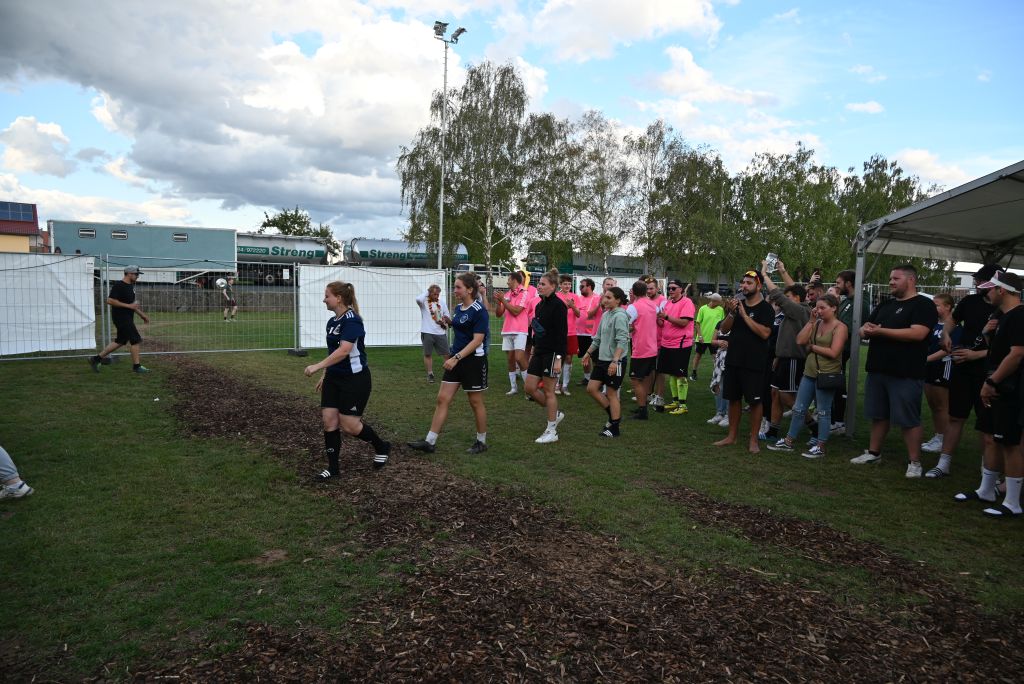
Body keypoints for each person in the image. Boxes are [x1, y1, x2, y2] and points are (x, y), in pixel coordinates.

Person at [851, 264, 938, 477]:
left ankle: (914, 462)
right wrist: (865, 330)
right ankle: (873, 453)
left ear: (911, 280)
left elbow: (918, 333)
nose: (891, 282)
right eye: (890, 278)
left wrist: (881, 332)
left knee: (908, 419)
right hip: (878, 369)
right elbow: (865, 328)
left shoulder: (923, 305)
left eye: (896, 278)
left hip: (905, 372)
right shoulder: (886, 304)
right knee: (878, 415)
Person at [303, 281, 391, 480]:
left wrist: (317, 366)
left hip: (355, 380)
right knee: (329, 421)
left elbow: (344, 351)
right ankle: (333, 469)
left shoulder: (352, 321)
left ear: (339, 298)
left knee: (350, 425)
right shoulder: (332, 322)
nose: (324, 300)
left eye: (327, 296)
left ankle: (382, 446)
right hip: (334, 379)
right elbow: (333, 352)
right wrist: (325, 374)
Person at [954, 271, 1024, 517]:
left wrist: (993, 381)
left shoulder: (1019, 316)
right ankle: (986, 489)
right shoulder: (1002, 317)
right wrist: (986, 334)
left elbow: (1017, 354)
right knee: (991, 438)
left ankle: (1013, 502)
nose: (987, 293)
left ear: (1001, 290)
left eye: (990, 289)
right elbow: (997, 351)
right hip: (995, 385)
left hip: (1009, 389)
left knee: (1010, 443)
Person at [925, 265, 997, 477]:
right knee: (955, 417)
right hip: (962, 369)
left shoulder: (1006, 309)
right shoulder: (970, 301)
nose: (977, 283)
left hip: (988, 373)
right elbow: (952, 320)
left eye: (981, 280)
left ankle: (987, 471)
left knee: (986, 425)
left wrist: (977, 355)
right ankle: (943, 464)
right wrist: (946, 334)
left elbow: (1011, 348)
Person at [408, 273, 490, 454]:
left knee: (475, 402)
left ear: (470, 289)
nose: (455, 290)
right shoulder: (459, 308)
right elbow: (461, 327)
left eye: (458, 287)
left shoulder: (479, 310)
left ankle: (481, 441)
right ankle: (430, 442)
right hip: (456, 359)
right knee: (442, 399)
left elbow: (477, 340)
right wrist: (448, 322)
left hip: (473, 361)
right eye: (455, 287)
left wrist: (455, 358)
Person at [767, 294, 848, 458]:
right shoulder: (816, 323)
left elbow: (834, 352)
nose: (819, 311)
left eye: (823, 308)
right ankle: (788, 441)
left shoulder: (840, 327)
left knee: (823, 411)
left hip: (827, 374)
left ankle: (820, 446)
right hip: (809, 372)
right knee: (798, 408)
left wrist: (813, 348)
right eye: (817, 307)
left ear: (834, 308)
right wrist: (811, 322)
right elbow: (799, 340)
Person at [714, 270, 774, 453]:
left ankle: (753, 440)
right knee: (733, 399)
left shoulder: (766, 309)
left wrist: (746, 316)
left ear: (759, 286)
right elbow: (724, 330)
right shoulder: (737, 306)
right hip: (734, 359)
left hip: (754, 362)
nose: (744, 286)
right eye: (743, 283)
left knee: (755, 401)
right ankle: (731, 436)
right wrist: (732, 314)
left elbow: (765, 333)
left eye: (749, 283)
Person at [762, 259, 810, 441]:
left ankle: (813, 425)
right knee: (775, 394)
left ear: (797, 299)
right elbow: (795, 290)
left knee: (786, 397)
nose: (785, 299)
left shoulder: (799, 310)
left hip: (793, 359)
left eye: (789, 297)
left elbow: (777, 294)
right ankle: (773, 431)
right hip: (783, 358)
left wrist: (765, 274)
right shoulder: (797, 306)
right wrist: (782, 271)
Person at [525, 270, 568, 443]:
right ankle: (555, 413)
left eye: (543, 284)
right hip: (539, 352)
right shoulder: (539, 305)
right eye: (539, 283)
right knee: (529, 388)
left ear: (553, 286)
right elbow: (539, 333)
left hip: (553, 353)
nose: (539, 286)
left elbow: (562, 335)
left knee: (549, 391)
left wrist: (558, 359)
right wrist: (533, 351)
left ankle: (552, 431)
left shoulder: (559, 306)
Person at [582, 287, 630, 437]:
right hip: (602, 360)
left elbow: (622, 341)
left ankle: (614, 427)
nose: (605, 300)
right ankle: (614, 418)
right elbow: (597, 338)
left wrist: (615, 361)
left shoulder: (620, 316)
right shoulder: (606, 314)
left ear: (618, 300)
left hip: (615, 361)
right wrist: (588, 353)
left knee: (611, 393)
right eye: (604, 297)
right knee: (591, 388)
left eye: (609, 298)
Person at [89, 265, 152, 374]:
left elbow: (132, 305)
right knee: (135, 339)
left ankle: (96, 359)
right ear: (129, 274)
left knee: (121, 341)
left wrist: (142, 315)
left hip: (127, 317)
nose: (138, 276)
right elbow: (110, 300)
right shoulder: (119, 285)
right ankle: (137, 367)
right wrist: (129, 306)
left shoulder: (130, 287)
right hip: (121, 318)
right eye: (136, 274)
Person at [921, 293, 955, 454]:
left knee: (942, 406)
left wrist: (925, 359)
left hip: (942, 368)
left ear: (948, 307)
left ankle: (944, 440)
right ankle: (938, 436)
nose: (933, 308)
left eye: (937, 305)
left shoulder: (952, 326)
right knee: (934, 405)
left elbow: (947, 350)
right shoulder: (934, 324)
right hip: (929, 368)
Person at [657, 279, 696, 415]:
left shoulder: (687, 302)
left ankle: (683, 405)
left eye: (673, 288)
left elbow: (684, 322)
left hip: (680, 344)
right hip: (666, 344)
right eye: (669, 288)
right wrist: (659, 319)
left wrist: (666, 317)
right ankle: (675, 401)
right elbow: (664, 324)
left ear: (681, 289)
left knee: (680, 374)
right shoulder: (668, 303)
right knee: (671, 374)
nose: (671, 290)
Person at [626, 280, 659, 420]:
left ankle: (642, 411)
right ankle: (642, 405)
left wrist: (631, 329)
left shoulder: (633, 307)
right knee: (645, 379)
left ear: (633, 292)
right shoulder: (654, 305)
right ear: (646, 291)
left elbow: (624, 325)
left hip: (641, 348)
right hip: (652, 347)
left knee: (636, 380)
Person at [494, 272, 531, 395]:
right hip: (507, 330)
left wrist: (503, 301)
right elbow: (498, 314)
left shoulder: (524, 293)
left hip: (520, 330)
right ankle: (513, 388)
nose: (507, 282)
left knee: (519, 358)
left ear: (515, 280)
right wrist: (498, 302)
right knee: (510, 360)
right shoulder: (507, 294)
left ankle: (529, 388)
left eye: (509, 279)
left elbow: (516, 311)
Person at [415, 284, 451, 383]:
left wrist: (444, 320)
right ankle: (430, 374)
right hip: (427, 332)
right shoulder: (423, 303)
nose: (436, 296)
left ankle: (448, 374)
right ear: (429, 293)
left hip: (440, 332)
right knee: (428, 354)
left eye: (438, 294)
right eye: (434, 294)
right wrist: (428, 291)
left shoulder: (442, 303)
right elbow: (418, 299)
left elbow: (447, 315)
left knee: (447, 354)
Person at [555, 275, 582, 395]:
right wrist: (566, 306)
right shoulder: (556, 296)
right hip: (559, 332)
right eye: (565, 284)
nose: (567, 286)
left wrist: (573, 306)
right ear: (560, 285)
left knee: (569, 358)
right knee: (558, 357)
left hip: (571, 332)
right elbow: (555, 313)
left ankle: (565, 385)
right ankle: (556, 384)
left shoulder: (575, 297)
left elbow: (578, 314)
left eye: (569, 284)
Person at [691, 292, 725, 380]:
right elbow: (697, 323)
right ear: (714, 301)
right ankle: (694, 373)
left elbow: (722, 324)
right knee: (698, 356)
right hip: (702, 338)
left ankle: (717, 375)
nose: (720, 303)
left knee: (715, 357)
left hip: (714, 339)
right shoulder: (703, 309)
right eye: (719, 302)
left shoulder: (720, 309)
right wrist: (700, 336)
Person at [575, 278, 601, 386]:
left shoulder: (597, 298)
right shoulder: (578, 298)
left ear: (589, 287)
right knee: (584, 357)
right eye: (580, 286)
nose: (580, 288)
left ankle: (597, 380)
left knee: (595, 358)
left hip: (592, 333)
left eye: (582, 286)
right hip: (580, 333)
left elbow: (591, 314)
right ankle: (587, 378)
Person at [707, 321, 731, 426]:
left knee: (729, 386)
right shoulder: (720, 323)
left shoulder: (739, 322)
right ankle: (720, 413)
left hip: (732, 357)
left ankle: (729, 415)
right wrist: (719, 342)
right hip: (720, 357)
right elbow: (712, 341)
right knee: (718, 385)